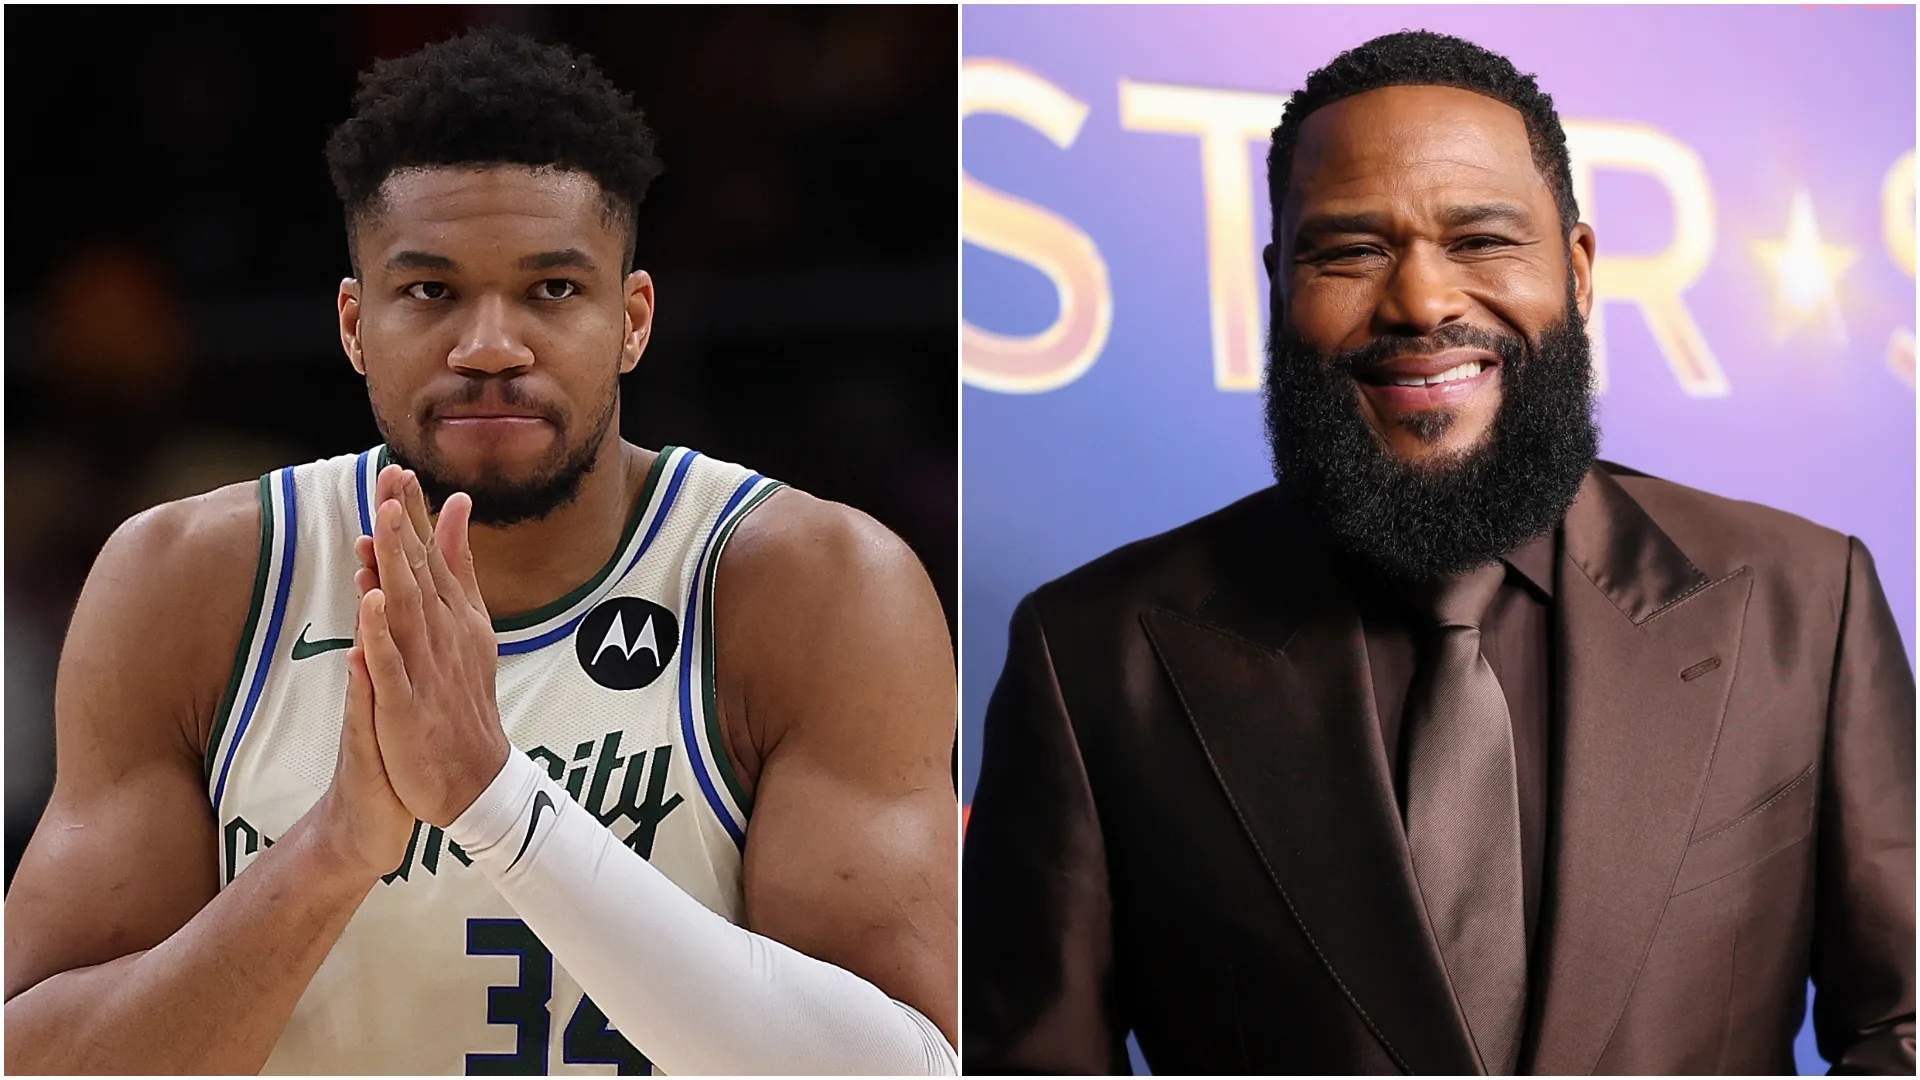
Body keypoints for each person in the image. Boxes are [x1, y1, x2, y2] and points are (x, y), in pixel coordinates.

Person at [4, 27, 958, 1075]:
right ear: (355, 324)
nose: (491, 347)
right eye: (432, 292)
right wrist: (334, 854)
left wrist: (494, 802)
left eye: (553, 289)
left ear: (632, 320)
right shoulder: (194, 584)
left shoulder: (809, 587)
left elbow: (902, 1066)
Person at [963, 30, 1913, 1076]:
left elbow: (1903, 1029)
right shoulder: (1095, 654)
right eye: (1352, 250)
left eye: (1481, 241)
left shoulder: (1804, 602)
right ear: (1280, 282)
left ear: (1580, 270)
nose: (1422, 301)